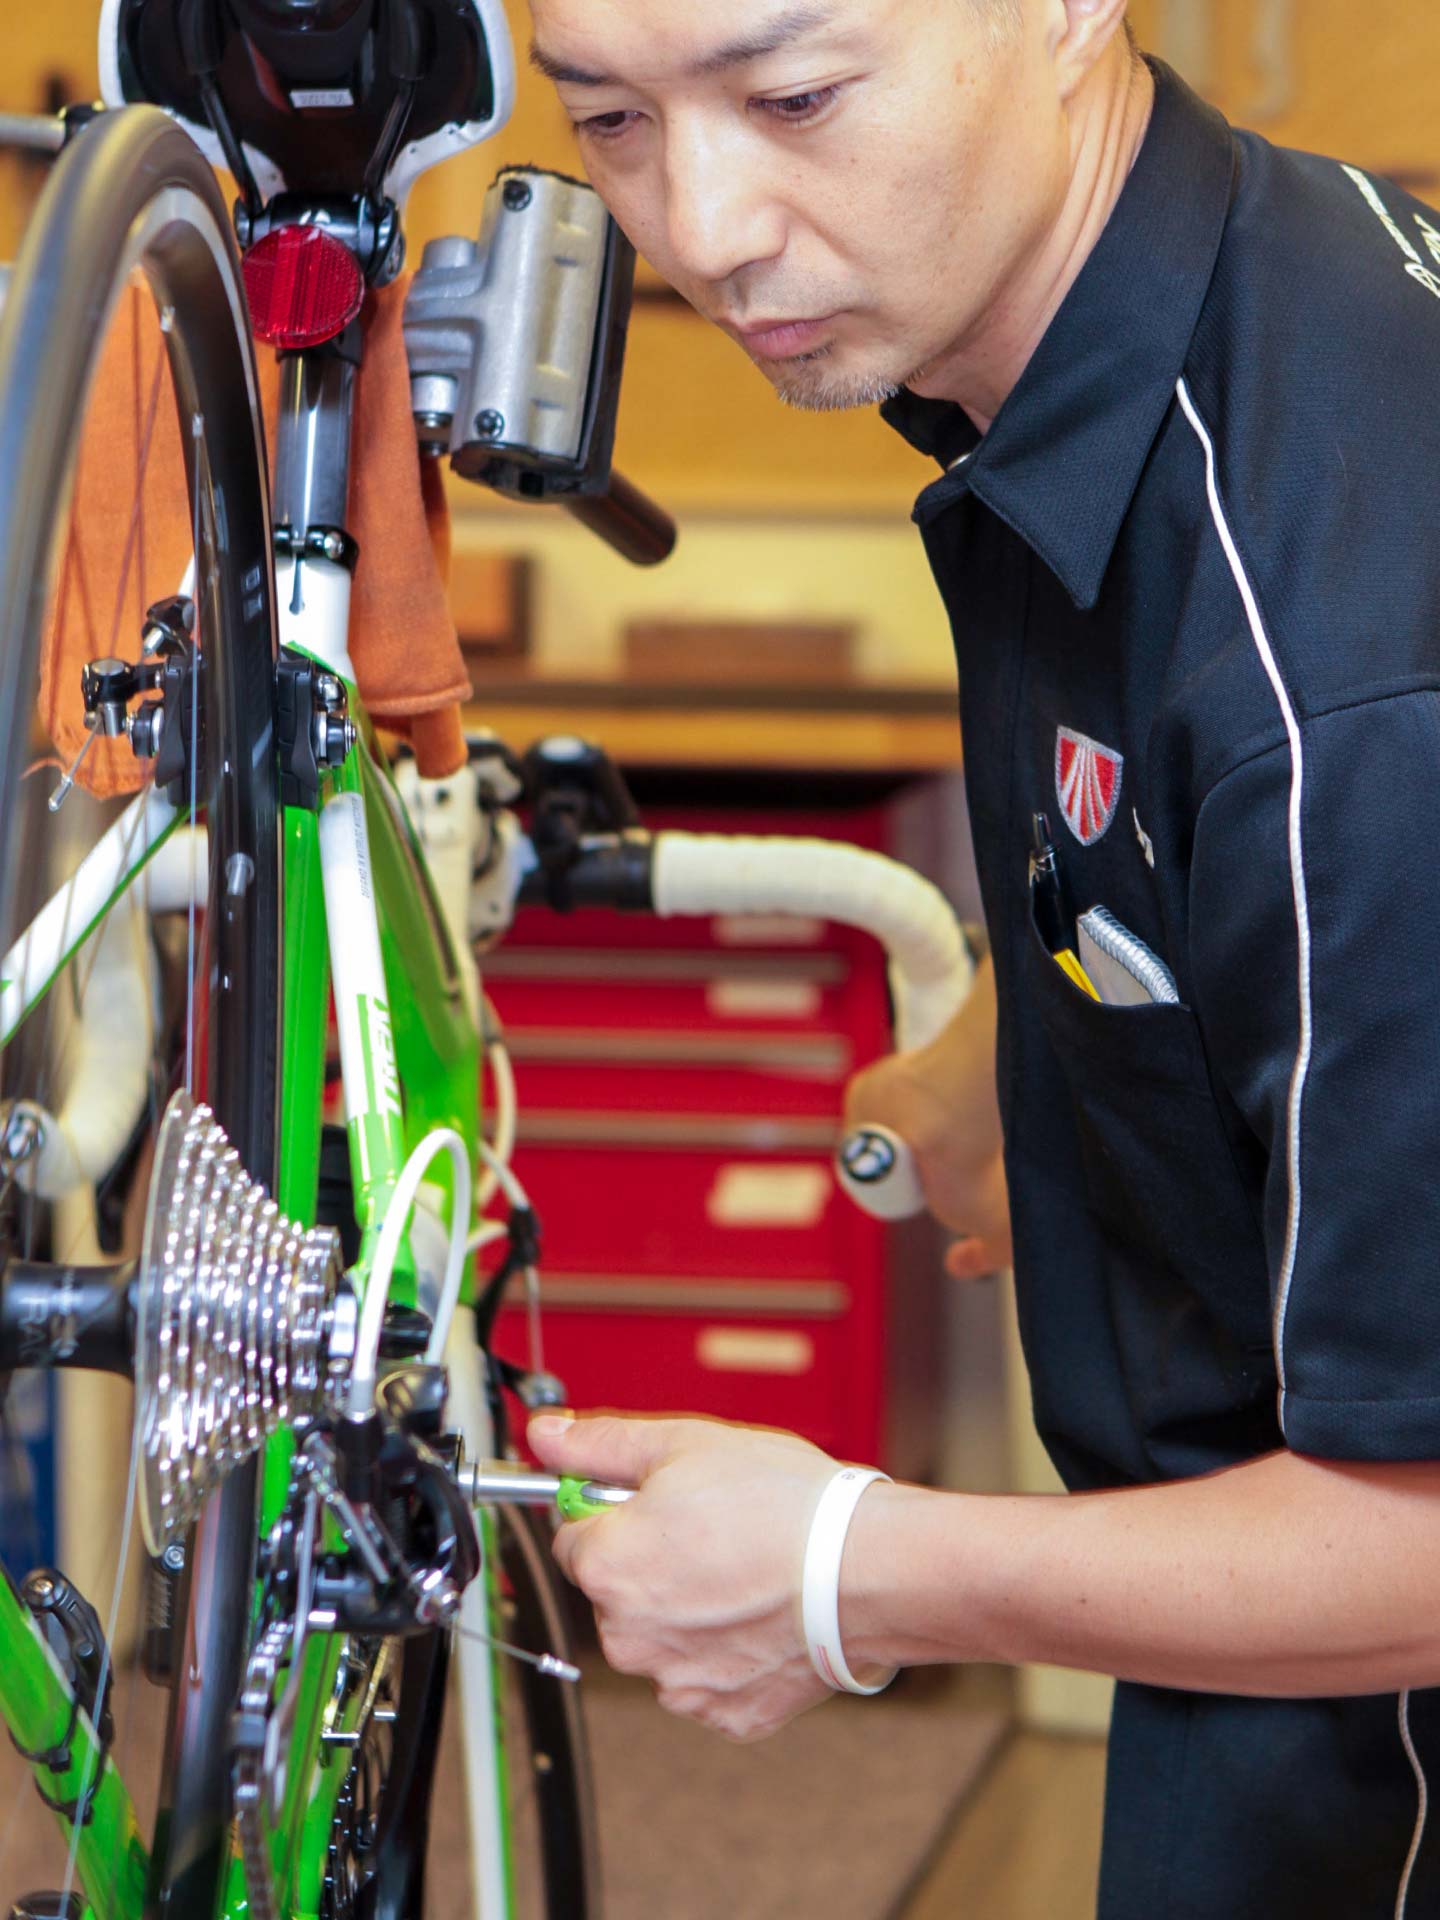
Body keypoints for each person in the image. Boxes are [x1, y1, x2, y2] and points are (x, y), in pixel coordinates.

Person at [520, 1, 1440, 1912]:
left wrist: (855, 1569)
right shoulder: (1161, 314)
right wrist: (1078, 1005)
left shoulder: (1343, 657)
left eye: (792, 99)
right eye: (609, 122)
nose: (705, 228)